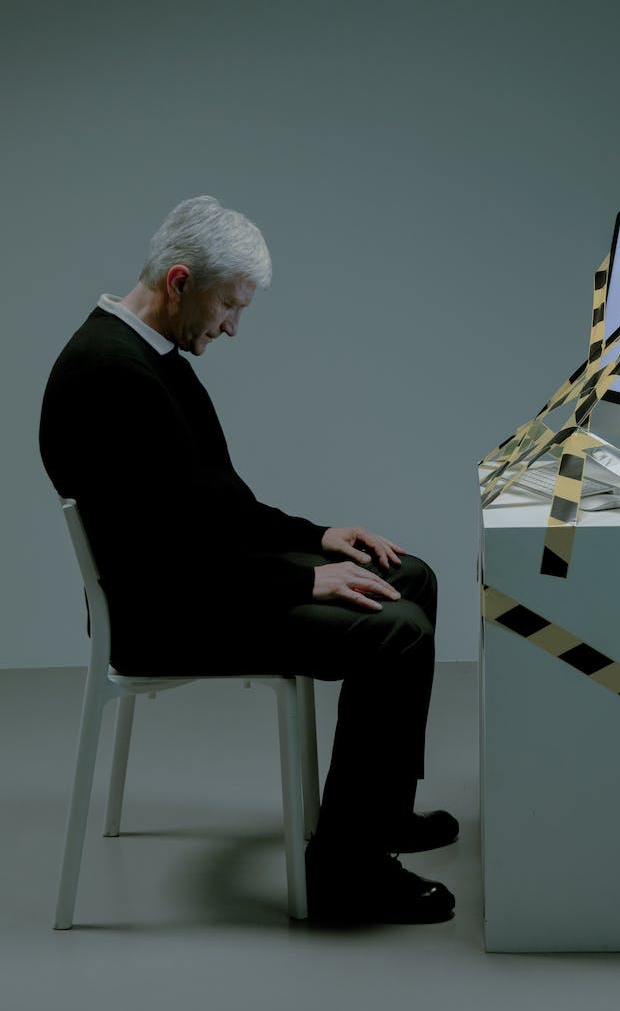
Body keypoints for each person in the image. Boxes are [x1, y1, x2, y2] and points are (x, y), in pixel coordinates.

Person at [39, 195, 457, 924]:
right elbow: (160, 556)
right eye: (229, 307)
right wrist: (300, 575)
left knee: (409, 573)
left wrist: (319, 536)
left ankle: (379, 813)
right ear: (179, 282)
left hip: (202, 578)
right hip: (165, 613)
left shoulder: (149, 356)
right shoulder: (111, 375)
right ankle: (347, 872)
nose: (232, 326)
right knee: (396, 632)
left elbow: (216, 508)